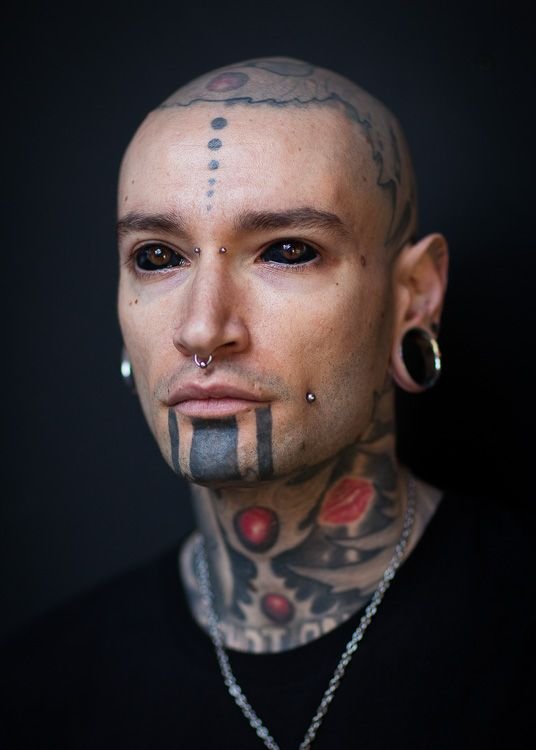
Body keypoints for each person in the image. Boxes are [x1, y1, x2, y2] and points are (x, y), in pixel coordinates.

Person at [1, 57, 532, 750]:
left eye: (286, 250)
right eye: (158, 257)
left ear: (414, 297)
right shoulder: (37, 691)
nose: (201, 328)